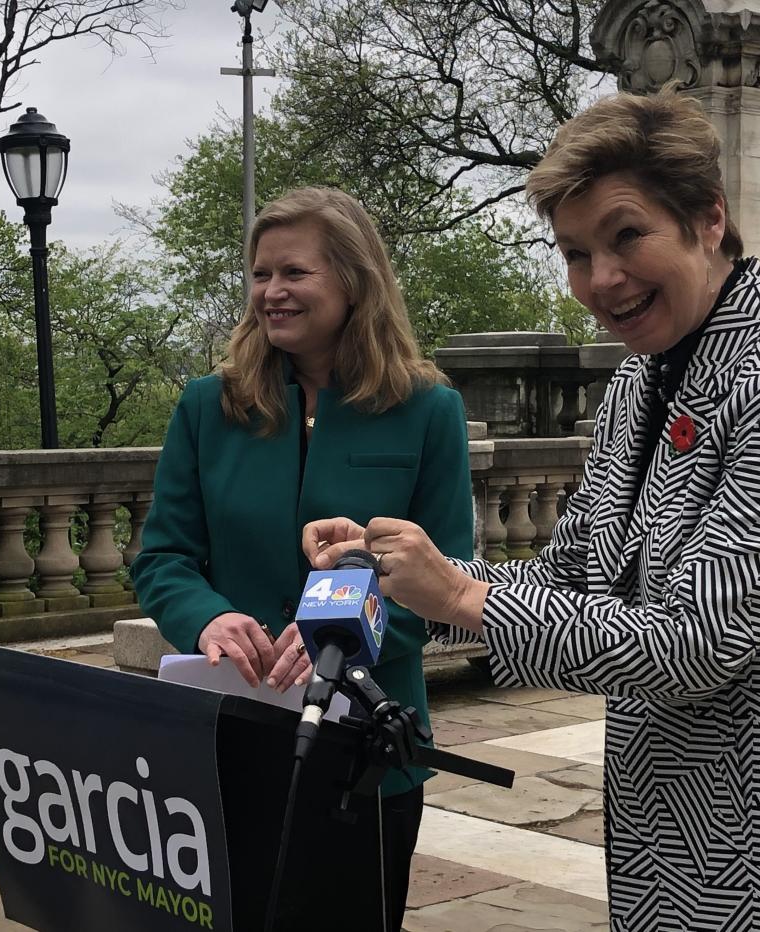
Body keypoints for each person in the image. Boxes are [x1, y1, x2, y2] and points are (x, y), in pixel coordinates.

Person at [304, 88, 760, 931]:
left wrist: (464, 599)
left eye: (627, 236)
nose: (602, 280)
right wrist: (401, 574)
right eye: (577, 253)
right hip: (659, 828)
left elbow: (695, 643)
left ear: (709, 220)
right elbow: (573, 577)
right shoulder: (635, 384)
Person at [131, 186, 474, 931]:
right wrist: (209, 618)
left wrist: (341, 638)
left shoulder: (427, 409)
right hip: (229, 729)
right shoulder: (205, 407)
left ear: (354, 279)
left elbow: (448, 579)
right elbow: (162, 558)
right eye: (261, 274)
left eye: (294, 273)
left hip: (367, 748)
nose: (271, 292)